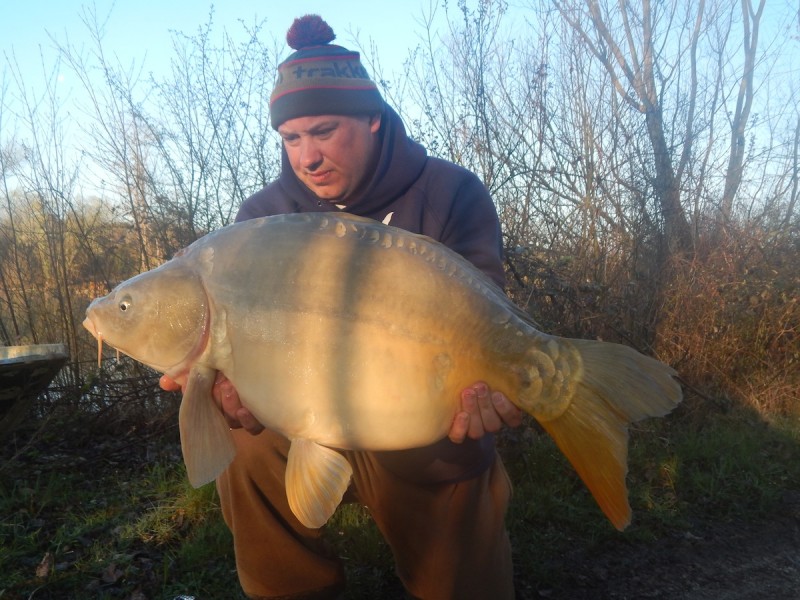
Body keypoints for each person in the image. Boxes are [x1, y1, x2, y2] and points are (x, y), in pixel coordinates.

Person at [161, 15, 522, 599]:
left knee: (462, 577)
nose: (307, 157)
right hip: (304, 420)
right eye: (292, 138)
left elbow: (487, 321)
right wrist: (229, 393)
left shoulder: (448, 192)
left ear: (373, 119)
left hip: (424, 426)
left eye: (324, 131)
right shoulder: (262, 219)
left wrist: (502, 388)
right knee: (247, 449)